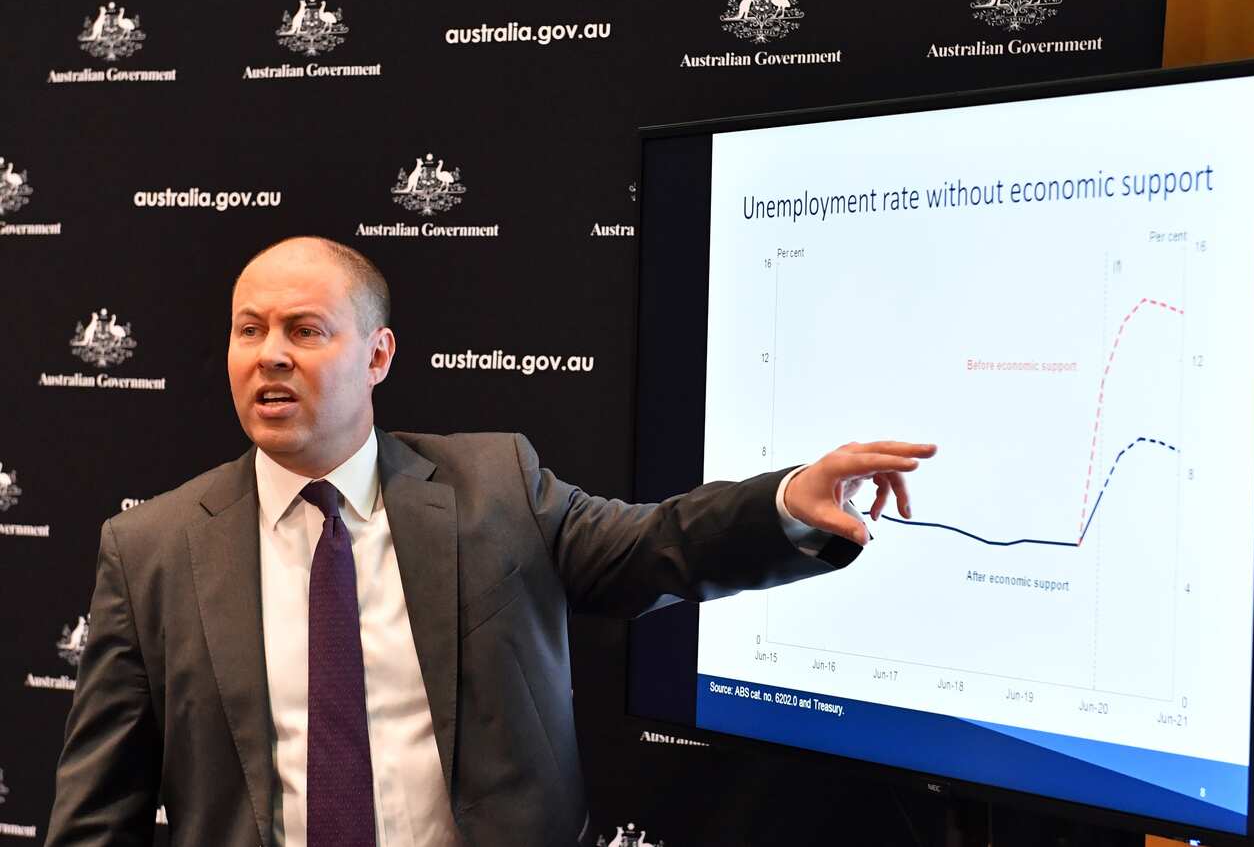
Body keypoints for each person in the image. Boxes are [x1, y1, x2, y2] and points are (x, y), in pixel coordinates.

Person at [44, 237, 935, 847]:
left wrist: (783, 501)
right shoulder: (150, 546)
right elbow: (97, 808)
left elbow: (655, 546)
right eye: (250, 329)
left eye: (305, 330)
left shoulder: (494, 488)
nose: (270, 354)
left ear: (379, 355)